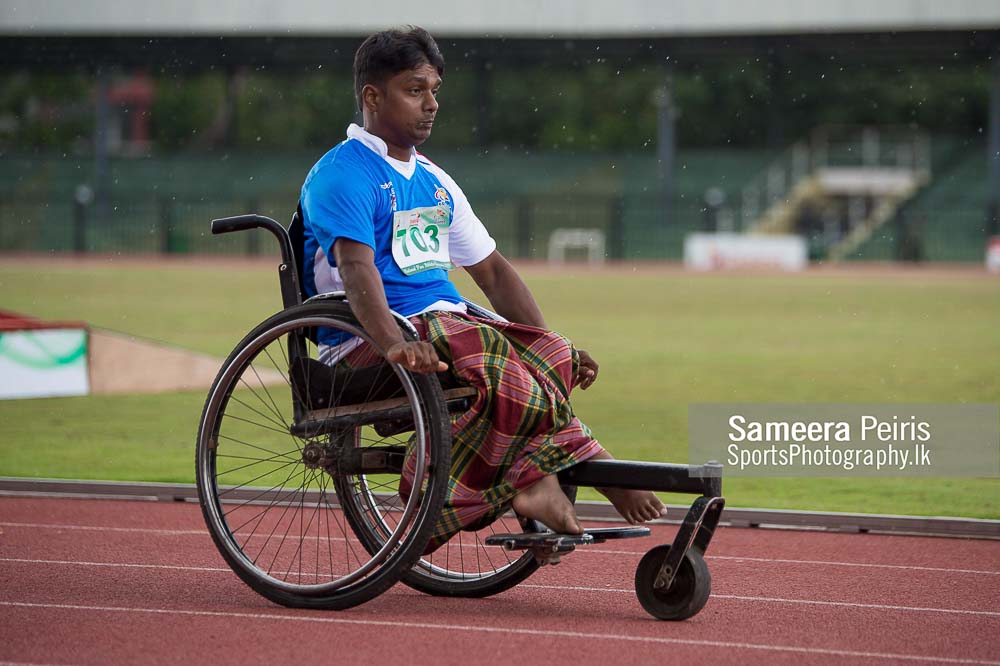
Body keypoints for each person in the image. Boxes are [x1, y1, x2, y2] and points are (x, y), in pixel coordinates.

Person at [299, 26, 665, 550]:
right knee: (485, 346)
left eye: (434, 91)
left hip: (447, 329)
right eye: (415, 90)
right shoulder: (341, 175)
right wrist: (395, 342)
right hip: (368, 340)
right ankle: (566, 472)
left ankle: (530, 480)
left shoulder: (434, 181)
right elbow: (356, 269)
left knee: (554, 355)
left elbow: (492, 272)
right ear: (372, 97)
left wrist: (545, 343)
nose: (431, 104)